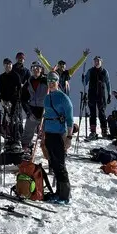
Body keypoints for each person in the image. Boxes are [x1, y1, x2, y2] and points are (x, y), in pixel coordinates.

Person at [41, 72, 74, 205]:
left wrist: (69, 137)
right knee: (53, 164)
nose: (50, 82)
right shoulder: (47, 98)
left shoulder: (63, 98)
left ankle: (65, 196)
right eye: (49, 80)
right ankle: (58, 192)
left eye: (53, 80)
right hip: (49, 133)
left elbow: (70, 119)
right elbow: (46, 116)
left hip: (60, 134)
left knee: (60, 164)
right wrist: (42, 134)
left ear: (58, 81)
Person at [20, 62, 50, 157]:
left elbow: (56, 90)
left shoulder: (46, 80)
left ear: (41, 69)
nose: (35, 69)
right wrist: (28, 112)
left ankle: (50, 155)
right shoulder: (29, 82)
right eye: (33, 68)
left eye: (38, 67)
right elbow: (23, 98)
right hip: (33, 110)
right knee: (28, 132)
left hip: (45, 110)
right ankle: (26, 150)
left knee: (48, 134)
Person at [0, 58, 27, 150]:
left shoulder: (15, 75)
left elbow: (19, 89)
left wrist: (17, 100)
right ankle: (9, 139)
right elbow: (2, 89)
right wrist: (1, 98)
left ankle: (17, 139)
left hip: (15, 101)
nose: (8, 66)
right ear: (4, 66)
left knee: (15, 120)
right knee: (7, 120)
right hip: (6, 102)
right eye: (6, 65)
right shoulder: (1, 77)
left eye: (10, 64)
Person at [82, 55, 112, 138]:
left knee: (102, 113)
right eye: (95, 61)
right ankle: (93, 131)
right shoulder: (90, 71)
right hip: (91, 95)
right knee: (92, 113)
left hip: (101, 95)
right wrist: (83, 78)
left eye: (98, 61)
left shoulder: (104, 71)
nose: (97, 62)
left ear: (101, 62)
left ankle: (104, 131)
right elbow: (85, 83)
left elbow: (108, 83)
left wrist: (109, 94)